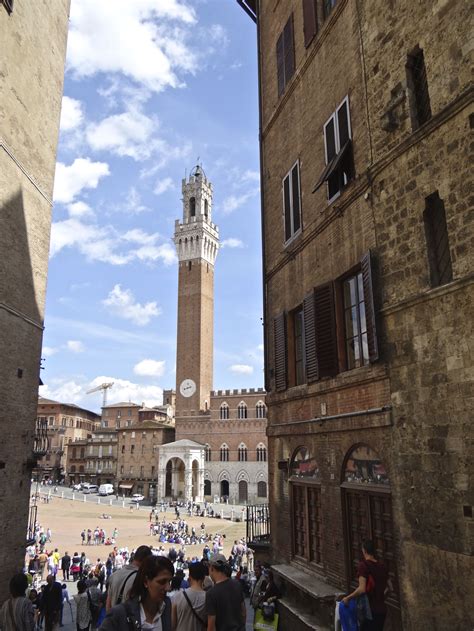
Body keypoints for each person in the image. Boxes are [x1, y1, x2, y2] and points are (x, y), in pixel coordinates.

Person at [99, 556, 174, 631]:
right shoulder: (118, 614)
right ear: (146, 582)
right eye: (162, 582)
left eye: (169, 582)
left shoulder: (167, 606)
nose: (168, 588)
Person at [342, 540, 391, 631]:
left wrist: (348, 598)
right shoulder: (383, 566)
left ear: (364, 551)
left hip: (369, 610)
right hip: (382, 610)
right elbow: (390, 588)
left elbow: (362, 589)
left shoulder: (364, 566)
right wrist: (381, 597)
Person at [105, 544, 152, 611]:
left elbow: (108, 604)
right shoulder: (140, 578)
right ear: (146, 561)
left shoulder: (114, 575)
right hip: (128, 619)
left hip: (114, 618)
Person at [205, 554, 246, 631]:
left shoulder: (211, 593)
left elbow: (211, 627)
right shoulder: (237, 584)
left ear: (212, 568)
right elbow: (243, 612)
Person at [171, 561, 207, 631]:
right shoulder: (208, 598)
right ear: (204, 577)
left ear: (190, 576)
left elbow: (173, 625)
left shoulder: (178, 596)